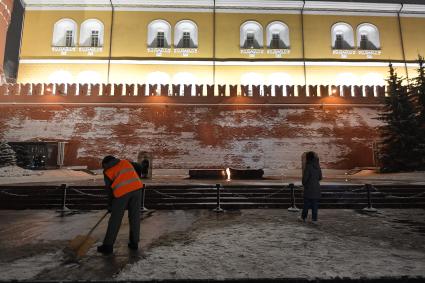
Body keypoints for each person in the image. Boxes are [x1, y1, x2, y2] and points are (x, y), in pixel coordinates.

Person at [97, 155, 143, 255]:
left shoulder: (107, 172)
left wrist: (110, 205)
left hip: (122, 192)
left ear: (105, 164)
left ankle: (108, 246)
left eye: (103, 166)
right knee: (135, 217)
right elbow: (138, 166)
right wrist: (138, 176)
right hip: (137, 188)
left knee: (115, 219)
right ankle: (134, 243)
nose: (103, 168)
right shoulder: (125, 162)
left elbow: (109, 191)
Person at [300, 151, 322, 224]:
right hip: (316, 188)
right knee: (315, 205)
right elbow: (320, 177)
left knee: (306, 204)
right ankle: (314, 219)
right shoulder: (318, 166)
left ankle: (303, 217)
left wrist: (304, 183)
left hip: (309, 188)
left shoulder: (308, 166)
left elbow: (305, 179)